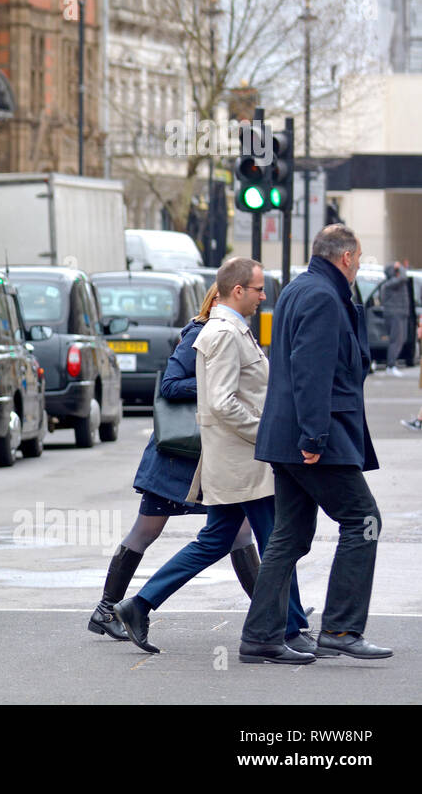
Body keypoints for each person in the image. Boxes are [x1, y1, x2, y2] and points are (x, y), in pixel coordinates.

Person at [113, 257, 309, 654]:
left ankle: (139, 604)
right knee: (277, 541)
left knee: (218, 540)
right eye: (257, 289)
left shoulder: (233, 329)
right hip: (243, 461)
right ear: (238, 290)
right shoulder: (222, 333)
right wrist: (267, 434)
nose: (263, 296)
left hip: (243, 461)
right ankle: (289, 628)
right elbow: (220, 403)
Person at [241, 224, 390, 663]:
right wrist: (314, 436)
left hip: (287, 438)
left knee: (289, 535)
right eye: (358, 260)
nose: (359, 267)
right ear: (345, 258)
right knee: (364, 521)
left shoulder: (296, 289)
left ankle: (262, 636)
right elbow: (310, 371)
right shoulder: (324, 297)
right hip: (314, 440)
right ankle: (341, 629)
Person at [87, 283, 265, 641]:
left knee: (239, 531)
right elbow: (169, 385)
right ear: (218, 299)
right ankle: (106, 610)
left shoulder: (232, 334)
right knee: (146, 530)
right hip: (175, 459)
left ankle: (270, 607)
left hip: (201, 457)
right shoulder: (199, 333)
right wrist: (212, 384)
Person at [378, 262, 411, 375]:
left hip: (398, 314)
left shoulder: (389, 284)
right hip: (396, 314)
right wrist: (400, 267)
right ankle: (391, 366)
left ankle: (392, 364)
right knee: (396, 340)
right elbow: (403, 277)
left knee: (399, 340)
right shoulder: (392, 283)